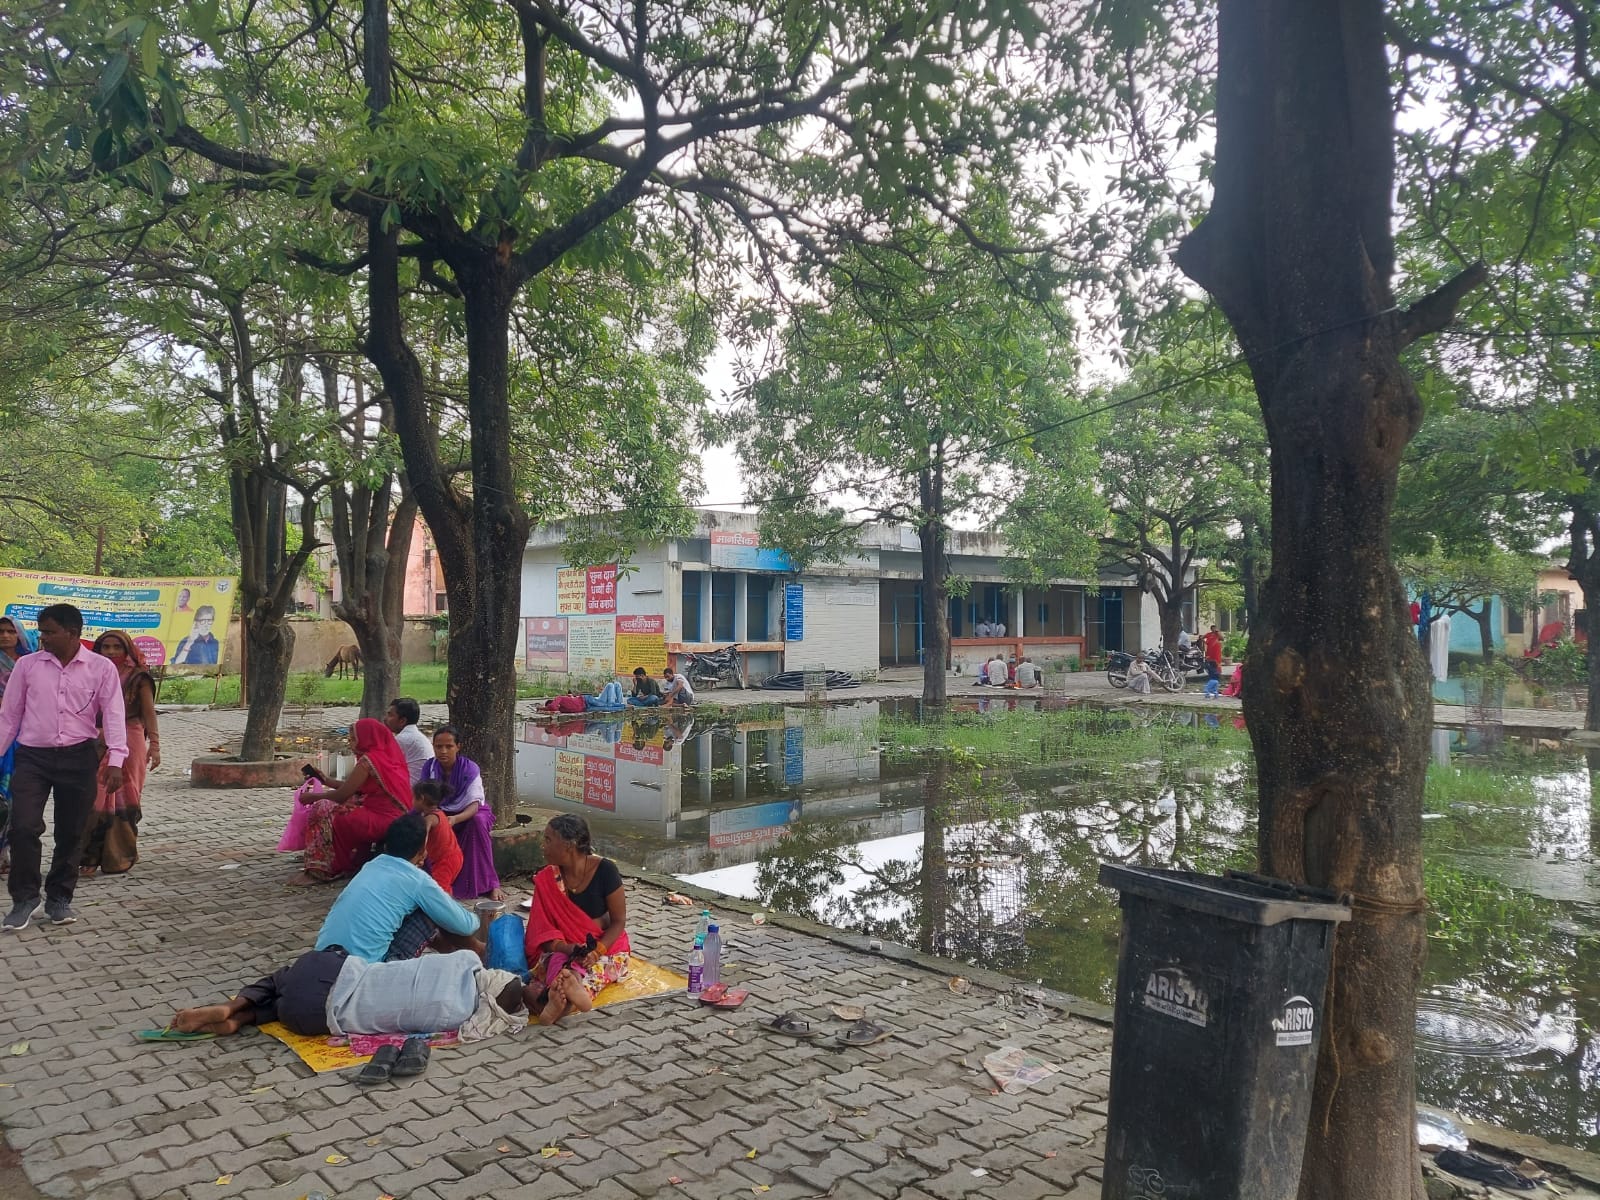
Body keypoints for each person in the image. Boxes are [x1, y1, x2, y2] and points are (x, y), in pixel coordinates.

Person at [0, 604, 127, 930]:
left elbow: (113, 714)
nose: (42, 637)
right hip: (32, 757)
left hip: (78, 757)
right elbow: (9, 715)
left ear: (73, 633)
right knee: (23, 827)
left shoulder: (100, 668)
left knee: (71, 832)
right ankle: (25, 898)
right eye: (41, 631)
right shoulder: (28, 666)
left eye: (49, 631)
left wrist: (116, 759)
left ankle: (59, 898)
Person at [167, 948, 535, 1040]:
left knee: (283, 978)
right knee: (283, 1007)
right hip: (311, 1020)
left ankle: (235, 1005)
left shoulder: (463, 962)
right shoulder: (456, 1018)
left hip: (326, 977)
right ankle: (246, 1020)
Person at [314, 812, 482, 962]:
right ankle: (478, 952)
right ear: (422, 853)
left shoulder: (370, 866)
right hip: (365, 972)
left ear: (386, 846)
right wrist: (480, 919)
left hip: (323, 960)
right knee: (430, 910)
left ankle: (455, 953)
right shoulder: (417, 880)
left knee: (418, 907)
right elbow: (465, 925)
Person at [524, 814, 631, 1023]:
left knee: (586, 976)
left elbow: (619, 921)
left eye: (548, 840)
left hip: (605, 948)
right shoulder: (548, 879)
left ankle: (557, 1002)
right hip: (564, 951)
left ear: (568, 845)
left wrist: (596, 951)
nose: (542, 846)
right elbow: (541, 933)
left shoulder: (605, 870)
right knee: (537, 982)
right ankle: (559, 995)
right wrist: (569, 949)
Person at [289, 718, 414, 885]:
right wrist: (326, 780)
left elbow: (342, 795)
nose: (350, 742)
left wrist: (312, 798)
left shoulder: (368, 761)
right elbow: (353, 788)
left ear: (367, 738)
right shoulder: (382, 757)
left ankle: (319, 870)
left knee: (323, 808)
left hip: (382, 819)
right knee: (349, 801)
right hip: (392, 816)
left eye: (354, 738)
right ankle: (351, 858)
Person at [79, 631, 160, 878]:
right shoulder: (90, 673)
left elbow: (148, 712)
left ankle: (120, 855)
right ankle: (90, 855)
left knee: (126, 799)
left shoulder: (138, 677)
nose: (112, 652)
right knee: (94, 800)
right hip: (96, 740)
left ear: (127, 650)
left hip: (130, 739)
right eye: (106, 647)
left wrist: (154, 746)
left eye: (117, 647)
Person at [419, 725, 501, 900]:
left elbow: (474, 804)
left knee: (478, 822)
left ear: (458, 747)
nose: (443, 751)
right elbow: (425, 799)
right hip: (440, 812)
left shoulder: (470, 769)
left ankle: (491, 884)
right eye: (438, 746)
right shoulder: (429, 767)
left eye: (449, 746)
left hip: (467, 813)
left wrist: (455, 819)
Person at [0, 617, 39, 868]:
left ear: (19, 635)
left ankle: (6, 850)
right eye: (0, 631)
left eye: (10, 631)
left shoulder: (31, 664)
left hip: (26, 734)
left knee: (16, 794)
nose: (4, 636)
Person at [412, 781, 463, 893]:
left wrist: (419, 856)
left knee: (439, 892)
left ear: (421, 798)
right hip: (454, 855)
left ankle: (446, 909)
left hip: (445, 861)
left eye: (414, 798)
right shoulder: (440, 813)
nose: (412, 802)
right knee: (442, 887)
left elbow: (422, 838)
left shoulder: (429, 819)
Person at [384, 697, 433, 783]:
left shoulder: (402, 739)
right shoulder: (416, 736)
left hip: (412, 790)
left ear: (402, 721)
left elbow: (382, 767)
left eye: (390, 715)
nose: (385, 719)